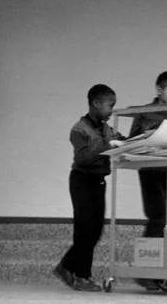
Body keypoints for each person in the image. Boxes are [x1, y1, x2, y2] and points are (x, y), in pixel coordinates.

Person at [53, 84, 126, 293]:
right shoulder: (78, 129)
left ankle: (66, 267)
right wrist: (108, 145)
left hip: (98, 182)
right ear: (96, 103)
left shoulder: (107, 128)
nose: (112, 110)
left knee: (95, 231)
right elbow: (83, 158)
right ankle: (81, 276)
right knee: (84, 230)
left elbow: (121, 140)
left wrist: (138, 140)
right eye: (110, 105)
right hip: (81, 181)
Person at [128, 71, 167, 291]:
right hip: (150, 169)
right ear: (159, 90)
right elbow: (133, 139)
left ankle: (161, 271)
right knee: (157, 215)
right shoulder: (145, 113)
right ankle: (145, 270)